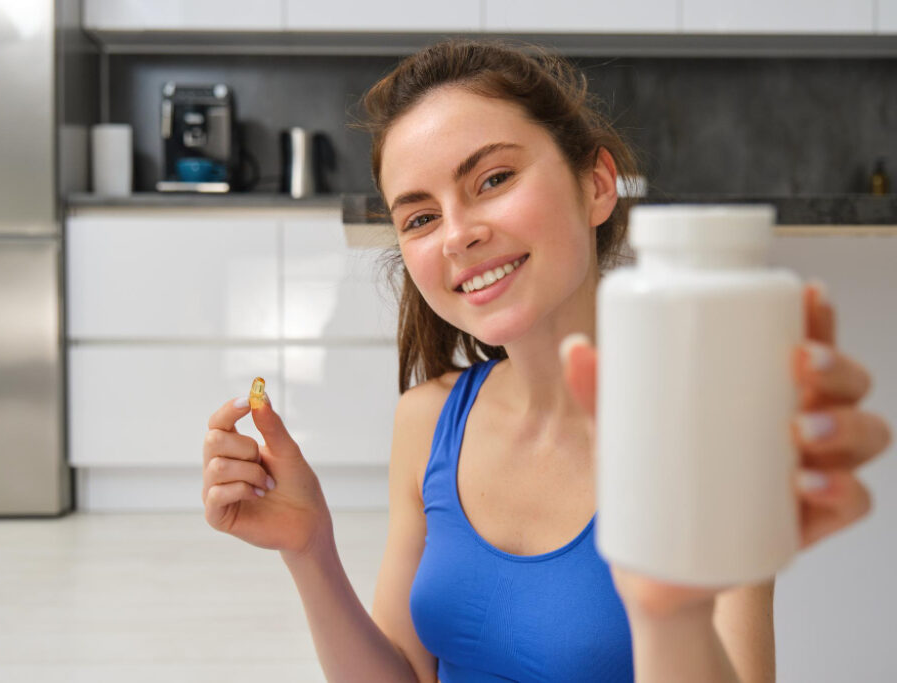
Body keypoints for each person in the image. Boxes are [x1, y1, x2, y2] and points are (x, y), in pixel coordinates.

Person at [201, 40, 892, 682]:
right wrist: (311, 550)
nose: (458, 234)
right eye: (419, 217)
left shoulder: (705, 431)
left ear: (596, 183)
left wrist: (670, 610)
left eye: (493, 178)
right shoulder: (428, 420)